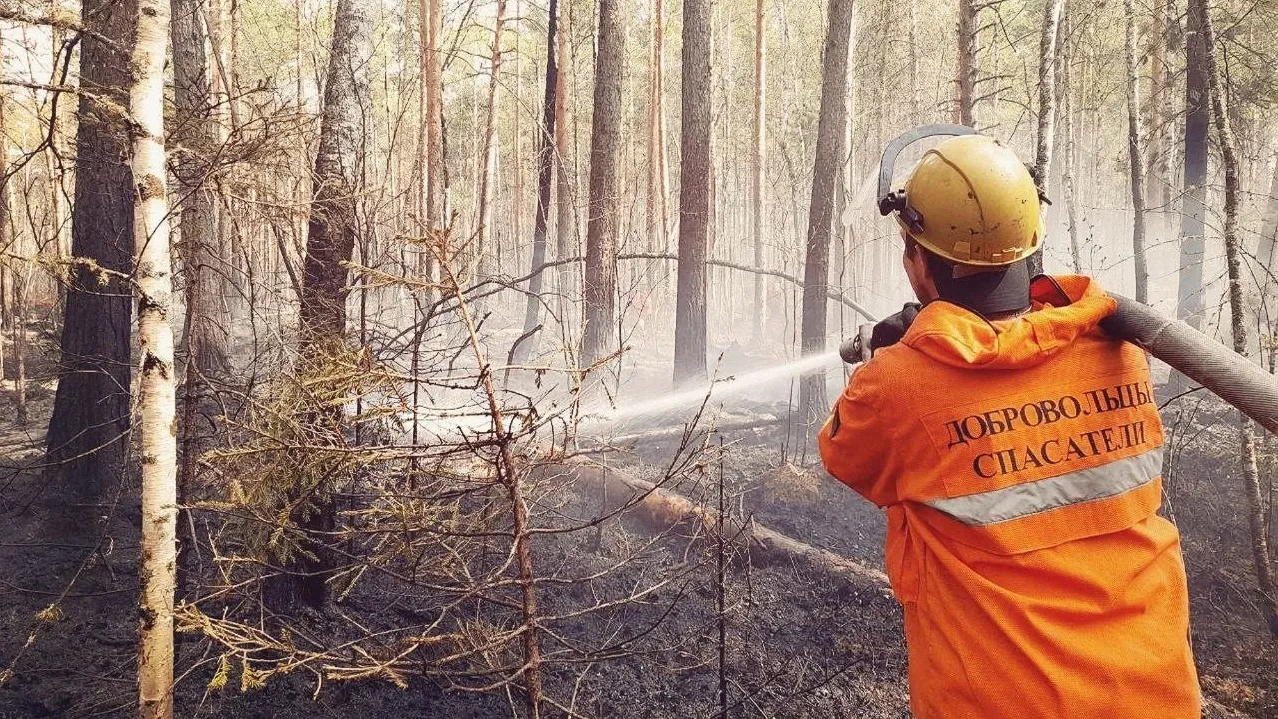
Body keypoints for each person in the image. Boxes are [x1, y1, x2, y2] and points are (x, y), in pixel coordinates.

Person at [818, 133, 1200, 718]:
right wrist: (930, 332)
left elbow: (844, 454)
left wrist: (911, 346)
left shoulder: (897, 386)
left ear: (918, 261)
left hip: (1005, 702)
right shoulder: (1114, 347)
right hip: (1153, 690)